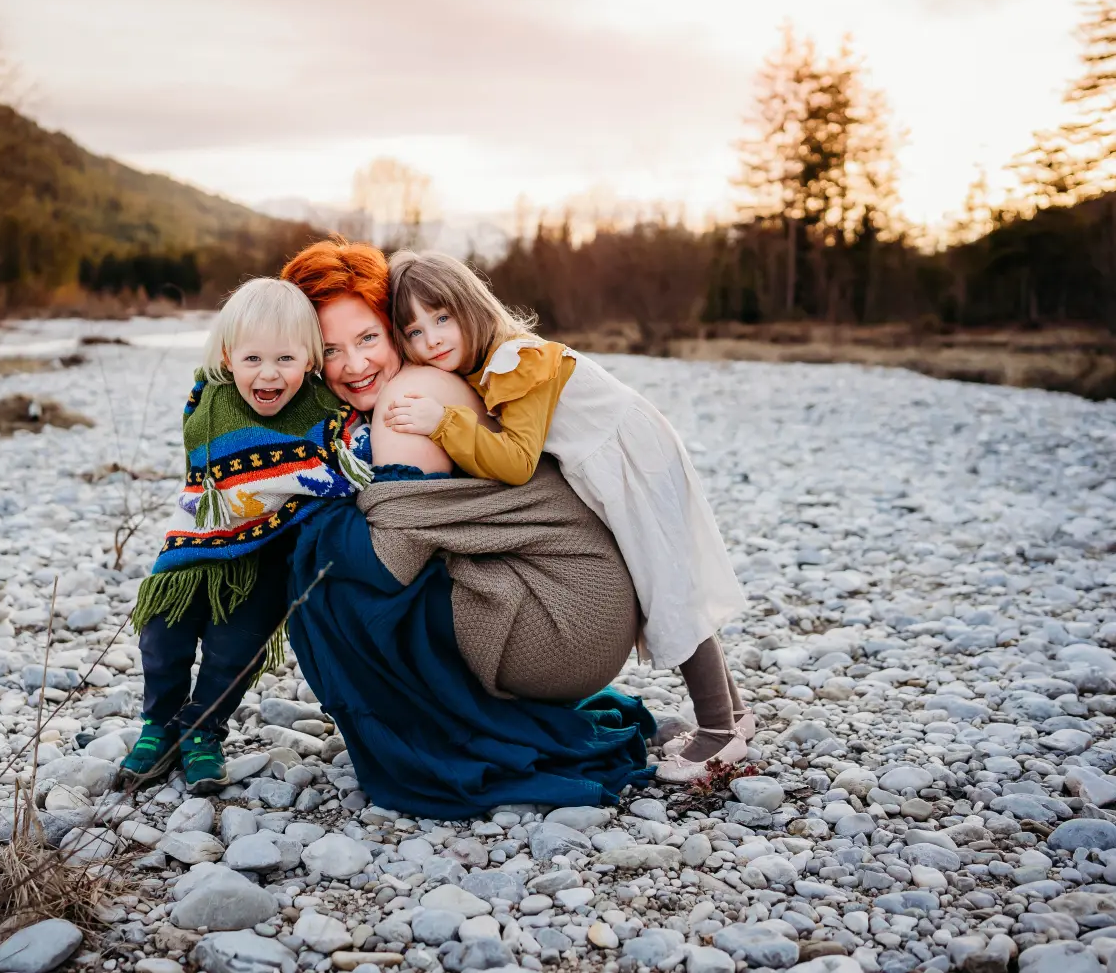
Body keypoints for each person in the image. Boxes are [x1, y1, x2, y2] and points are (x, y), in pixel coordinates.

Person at [277, 238, 655, 817]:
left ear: (391, 328)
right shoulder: (429, 380)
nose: (354, 365)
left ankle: (449, 743)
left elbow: (390, 559)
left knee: (327, 580)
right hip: (582, 605)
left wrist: (290, 518)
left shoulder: (408, 399)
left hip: (565, 622)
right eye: (330, 350)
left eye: (368, 338)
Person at [381, 249, 752, 782]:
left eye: (442, 318)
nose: (432, 339)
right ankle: (735, 717)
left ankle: (717, 733)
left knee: (664, 584)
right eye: (413, 331)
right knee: (668, 579)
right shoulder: (493, 362)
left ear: (471, 305)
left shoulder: (515, 360)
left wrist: (444, 422)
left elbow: (514, 461)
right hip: (618, 451)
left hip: (629, 457)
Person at [119, 278, 370, 793]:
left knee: (236, 651)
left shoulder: (325, 416)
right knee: (162, 638)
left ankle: (202, 730)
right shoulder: (211, 403)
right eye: (253, 359)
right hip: (195, 548)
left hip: (266, 555)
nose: (269, 374)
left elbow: (348, 461)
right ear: (230, 356)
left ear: (310, 361)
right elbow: (205, 461)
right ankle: (158, 724)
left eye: (285, 359)